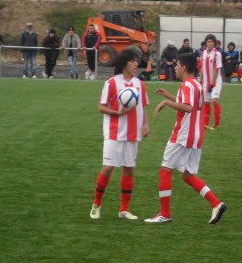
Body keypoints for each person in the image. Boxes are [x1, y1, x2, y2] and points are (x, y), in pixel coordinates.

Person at [144, 53, 226, 225]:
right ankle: (216, 204)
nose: (175, 68)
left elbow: (188, 107)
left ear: (184, 67)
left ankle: (164, 214)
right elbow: (190, 104)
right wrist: (169, 97)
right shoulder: (196, 84)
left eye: (177, 65)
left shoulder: (187, 85)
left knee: (165, 170)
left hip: (183, 134)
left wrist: (166, 103)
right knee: (187, 175)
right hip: (196, 135)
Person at [90, 49, 149, 220]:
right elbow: (101, 107)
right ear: (124, 63)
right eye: (133, 61)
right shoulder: (111, 83)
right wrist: (118, 113)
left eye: (137, 61)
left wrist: (146, 124)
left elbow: (143, 106)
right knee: (108, 168)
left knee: (128, 169)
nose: (136, 64)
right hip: (114, 132)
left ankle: (124, 209)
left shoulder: (140, 84)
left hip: (133, 133)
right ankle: (96, 205)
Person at [199, 34, 223, 131]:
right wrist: (200, 80)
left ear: (214, 43)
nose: (210, 43)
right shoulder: (203, 53)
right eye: (208, 42)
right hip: (206, 82)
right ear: (206, 43)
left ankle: (217, 123)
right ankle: (205, 123)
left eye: (212, 42)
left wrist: (212, 84)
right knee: (206, 102)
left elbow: (216, 70)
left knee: (214, 100)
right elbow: (202, 67)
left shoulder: (217, 54)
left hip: (215, 82)